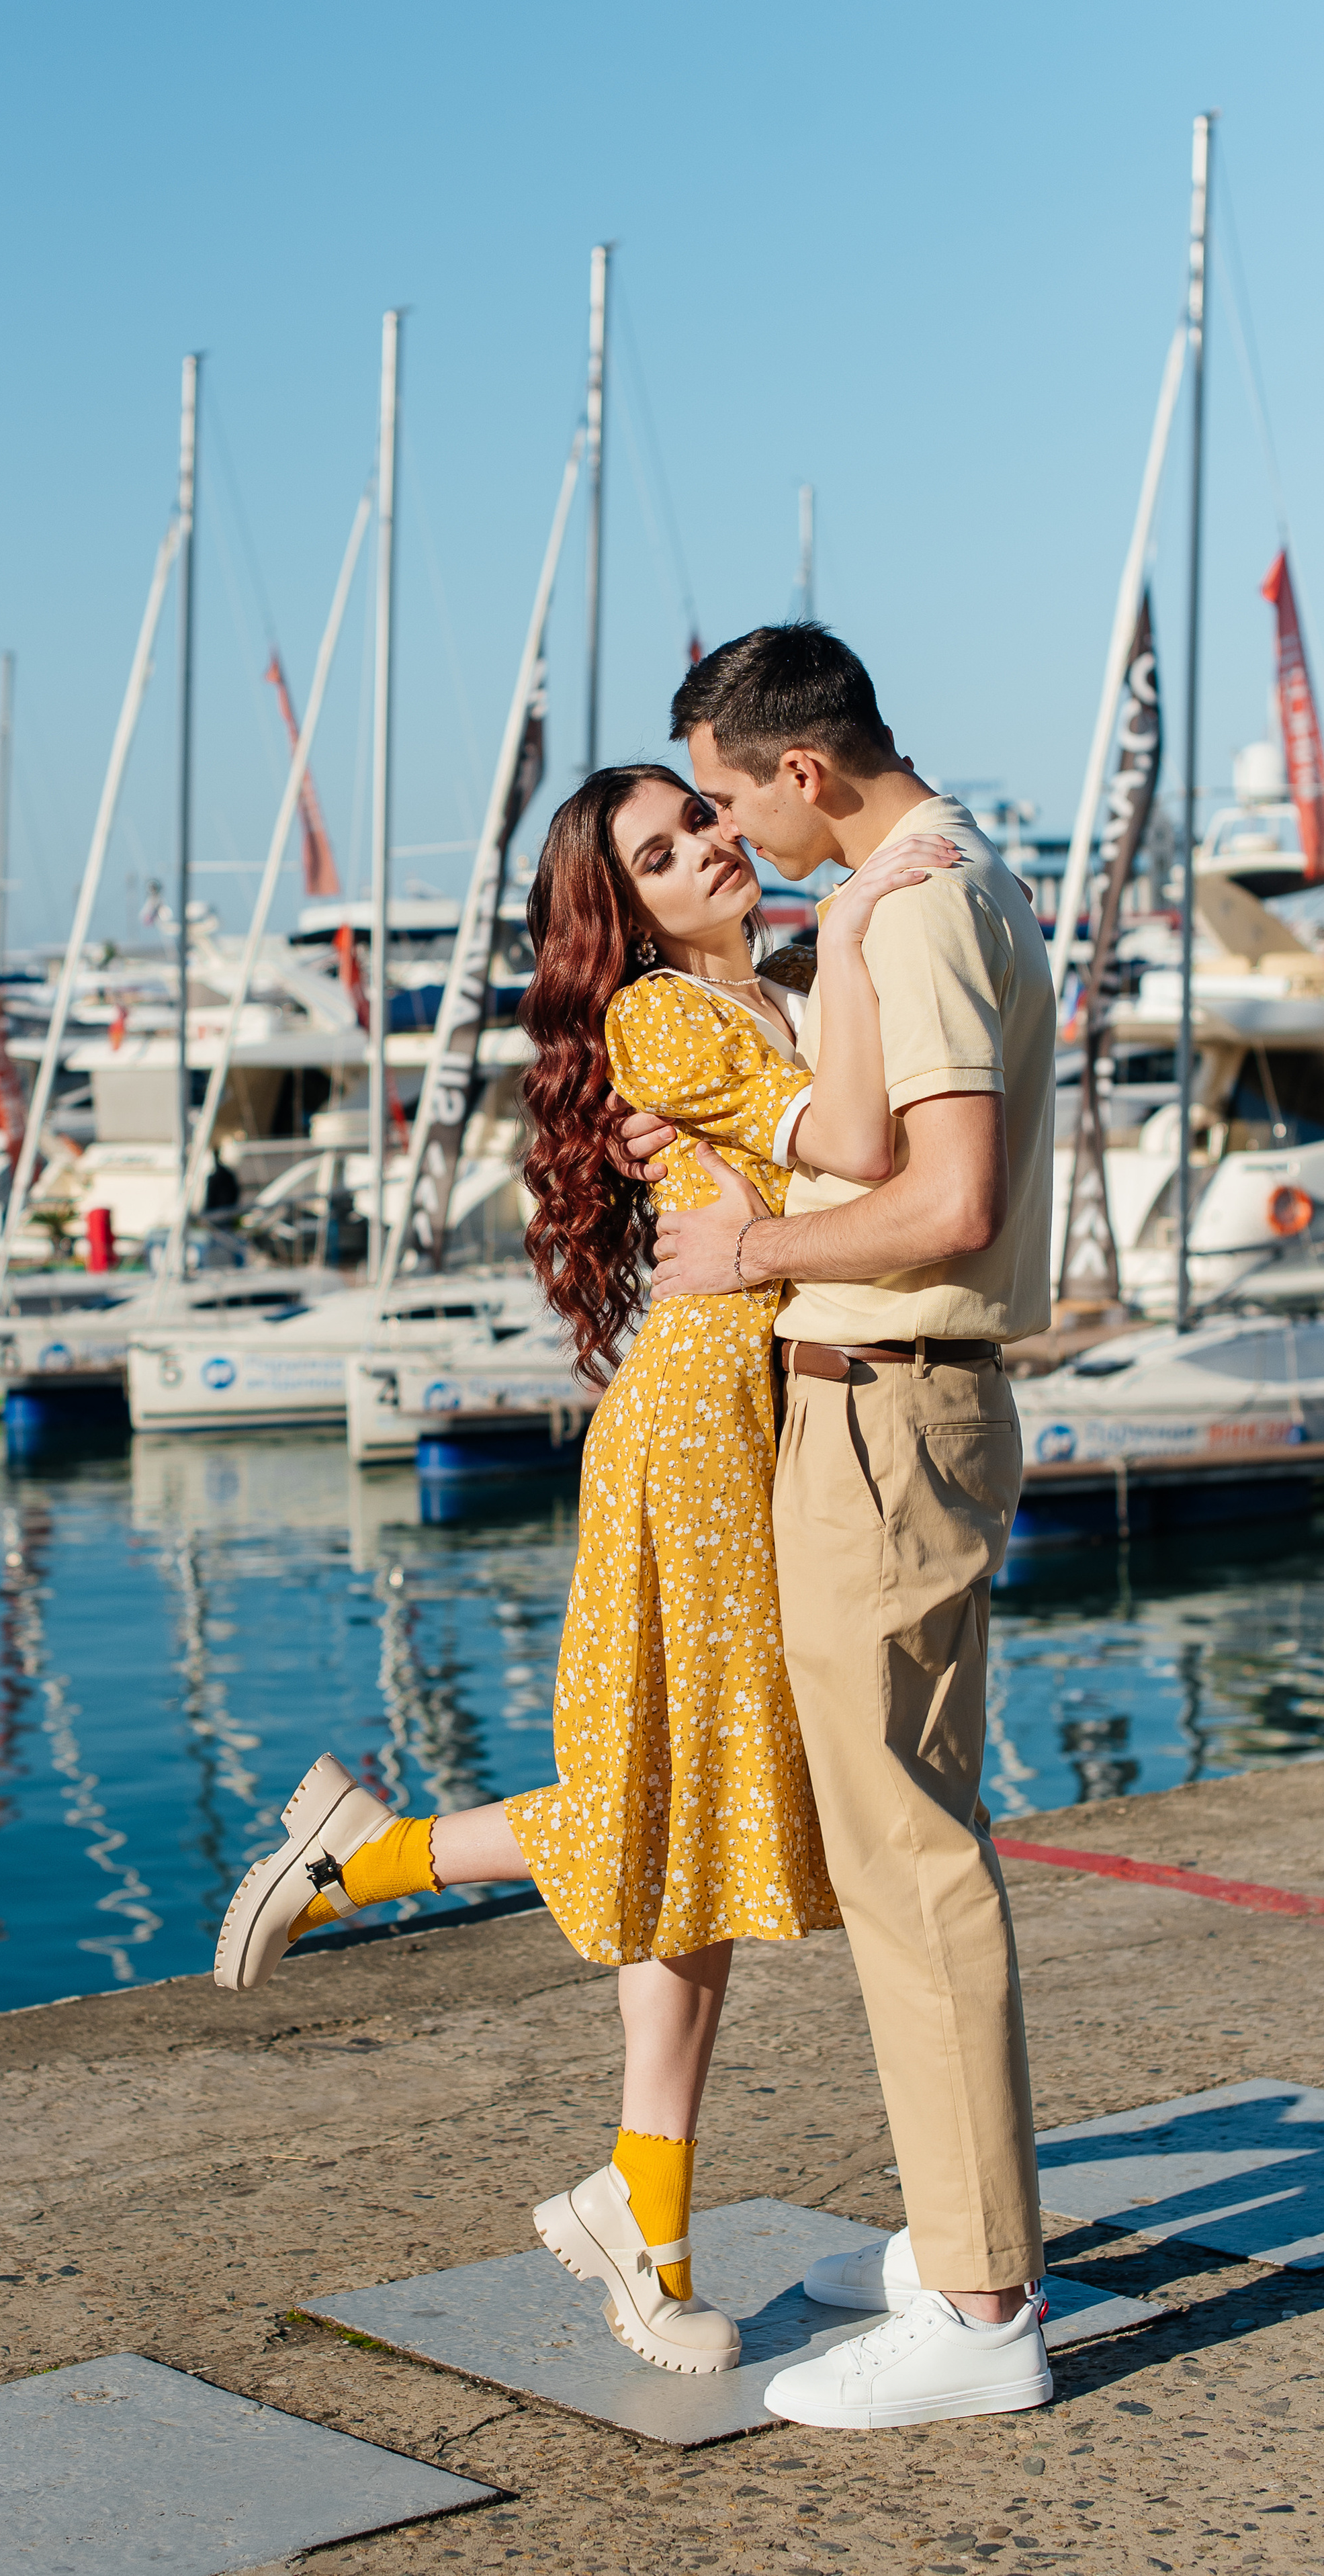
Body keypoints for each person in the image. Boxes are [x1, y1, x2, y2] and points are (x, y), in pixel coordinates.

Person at [213, 760, 951, 2379]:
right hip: (693, 1432)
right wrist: (855, 926)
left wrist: (822, 964)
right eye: (659, 852)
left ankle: (385, 1873)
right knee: (684, 1817)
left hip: (751, 1415)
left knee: (697, 1819)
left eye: (702, 820)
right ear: (621, 910)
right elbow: (851, 1141)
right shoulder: (663, 1019)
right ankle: (628, 2198)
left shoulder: (755, 997)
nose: (705, 850)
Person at [617, 621, 1055, 2429]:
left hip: (886, 1406)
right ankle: (964, 2243)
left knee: (906, 1860)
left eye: (725, 797)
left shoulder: (916, 905)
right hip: (890, 1405)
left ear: (801, 768)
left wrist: (750, 1248)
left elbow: (947, 1202)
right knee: (905, 1838)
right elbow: (867, 1130)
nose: (727, 832)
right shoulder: (919, 886)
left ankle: (980, 2306)